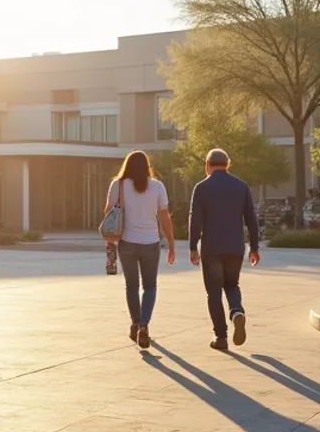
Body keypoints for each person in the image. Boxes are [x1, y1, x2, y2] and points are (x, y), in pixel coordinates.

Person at [188, 148, 261, 351]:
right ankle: (236, 311)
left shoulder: (201, 188)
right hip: (235, 246)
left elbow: (195, 220)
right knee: (232, 285)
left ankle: (221, 337)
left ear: (207, 165)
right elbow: (251, 219)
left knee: (214, 292)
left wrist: (193, 246)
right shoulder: (241, 186)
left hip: (211, 248)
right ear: (228, 164)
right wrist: (254, 247)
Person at [105, 150, 176, 349]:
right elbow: (165, 217)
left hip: (126, 241)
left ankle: (135, 324)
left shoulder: (117, 185)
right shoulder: (157, 186)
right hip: (151, 242)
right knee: (150, 286)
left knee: (132, 286)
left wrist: (110, 240)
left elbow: (108, 213)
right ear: (147, 166)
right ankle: (144, 324)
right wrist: (171, 243)